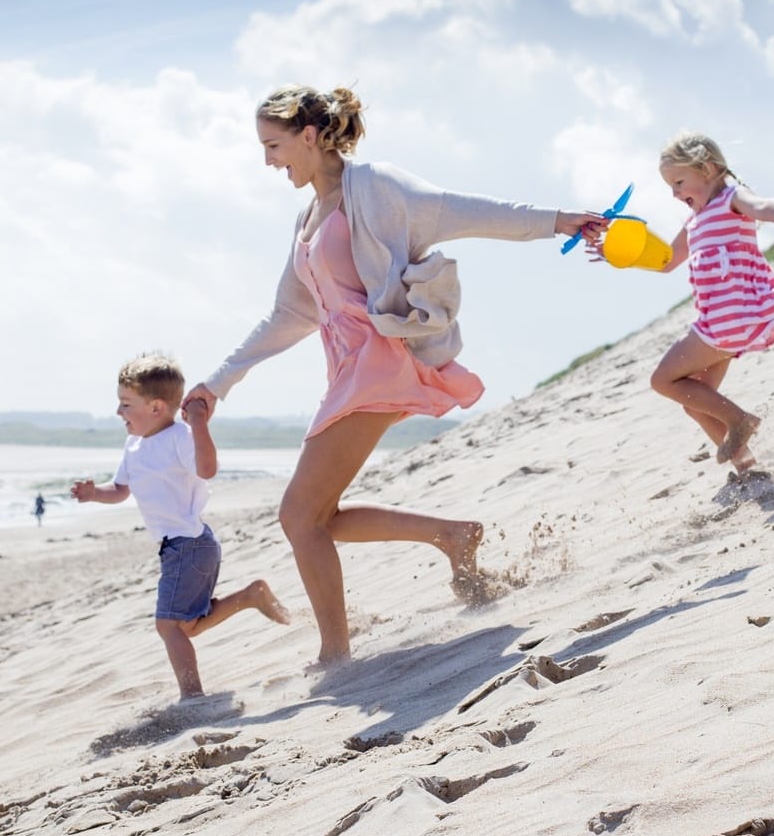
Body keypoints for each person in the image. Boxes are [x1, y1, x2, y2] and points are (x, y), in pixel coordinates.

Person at [182, 84, 604, 668]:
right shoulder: (309, 216)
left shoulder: (376, 188)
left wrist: (560, 220)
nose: (268, 160)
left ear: (309, 136)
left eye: (273, 145)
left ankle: (336, 652)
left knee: (298, 516)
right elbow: (290, 313)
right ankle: (451, 536)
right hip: (349, 370)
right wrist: (218, 382)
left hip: (381, 363)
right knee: (318, 517)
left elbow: (464, 210)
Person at [73, 353, 290, 700]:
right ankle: (251, 596)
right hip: (180, 548)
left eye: (126, 405)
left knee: (169, 625)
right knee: (186, 624)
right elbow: (120, 490)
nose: (118, 413)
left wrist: (200, 425)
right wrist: (92, 493)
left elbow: (207, 469)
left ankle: (192, 697)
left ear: (156, 407)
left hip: (189, 545)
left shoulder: (180, 436)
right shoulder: (133, 445)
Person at [643, 130, 774, 471]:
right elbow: (665, 261)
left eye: (679, 182)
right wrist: (616, 249)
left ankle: (740, 420)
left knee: (662, 380)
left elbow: (762, 206)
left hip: (728, 320)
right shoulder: (695, 221)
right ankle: (747, 466)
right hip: (722, 322)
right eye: (670, 187)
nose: (674, 193)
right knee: (696, 401)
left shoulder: (731, 199)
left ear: (707, 170)